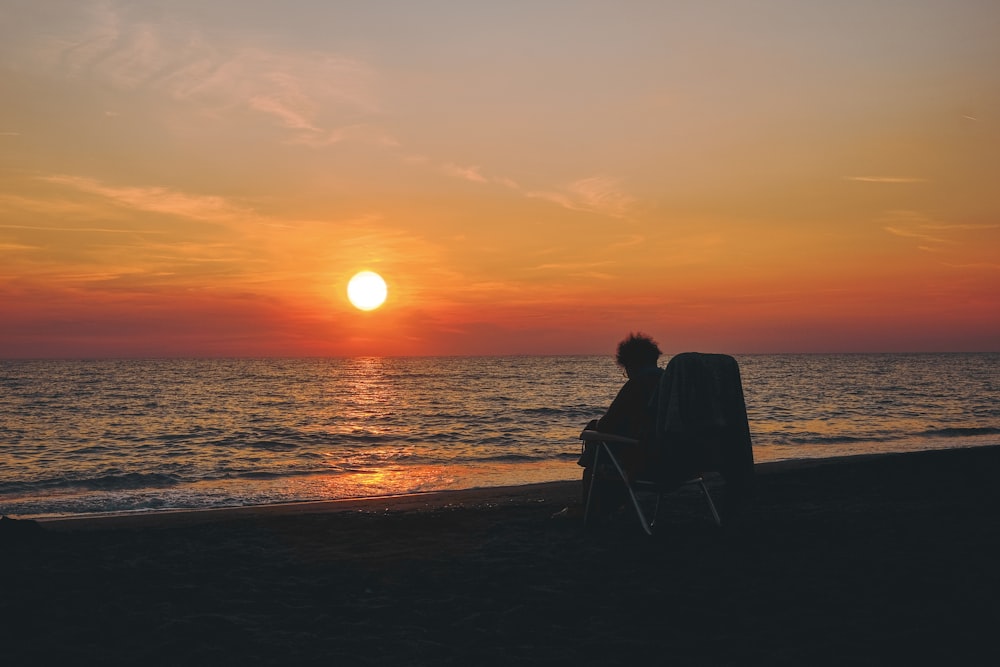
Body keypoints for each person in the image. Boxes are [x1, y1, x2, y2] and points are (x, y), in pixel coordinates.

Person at [578, 332, 664, 513]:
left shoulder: (637, 385)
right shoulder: (671, 384)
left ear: (631, 364)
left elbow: (607, 425)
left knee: (595, 438)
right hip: (678, 463)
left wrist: (593, 428)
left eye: (626, 369)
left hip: (645, 464)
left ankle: (590, 511)